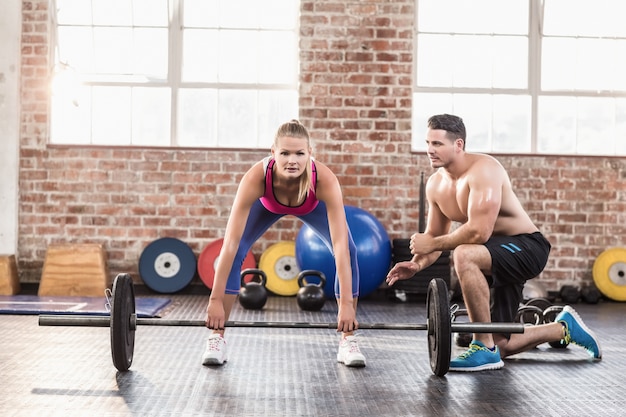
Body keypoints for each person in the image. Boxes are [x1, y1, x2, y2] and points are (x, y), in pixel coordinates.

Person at [386, 113, 602, 372]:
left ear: (458, 145)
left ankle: (481, 347)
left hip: (526, 247)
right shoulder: (435, 185)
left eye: (437, 144)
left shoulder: (485, 170)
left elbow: (478, 233)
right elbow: (433, 238)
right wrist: (417, 264)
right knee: (502, 345)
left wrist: (431, 245)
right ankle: (561, 327)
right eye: (428, 143)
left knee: (465, 254)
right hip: (494, 254)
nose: (430, 150)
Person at [202, 119, 366, 367]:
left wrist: (345, 306)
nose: (293, 160)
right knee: (237, 254)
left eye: (300, 153)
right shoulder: (256, 177)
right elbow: (231, 242)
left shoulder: (325, 180)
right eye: (285, 153)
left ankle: (348, 340)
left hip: (312, 206)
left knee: (351, 251)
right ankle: (217, 338)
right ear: (273, 153)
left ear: (310, 153)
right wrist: (214, 301)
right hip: (266, 205)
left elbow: (341, 247)